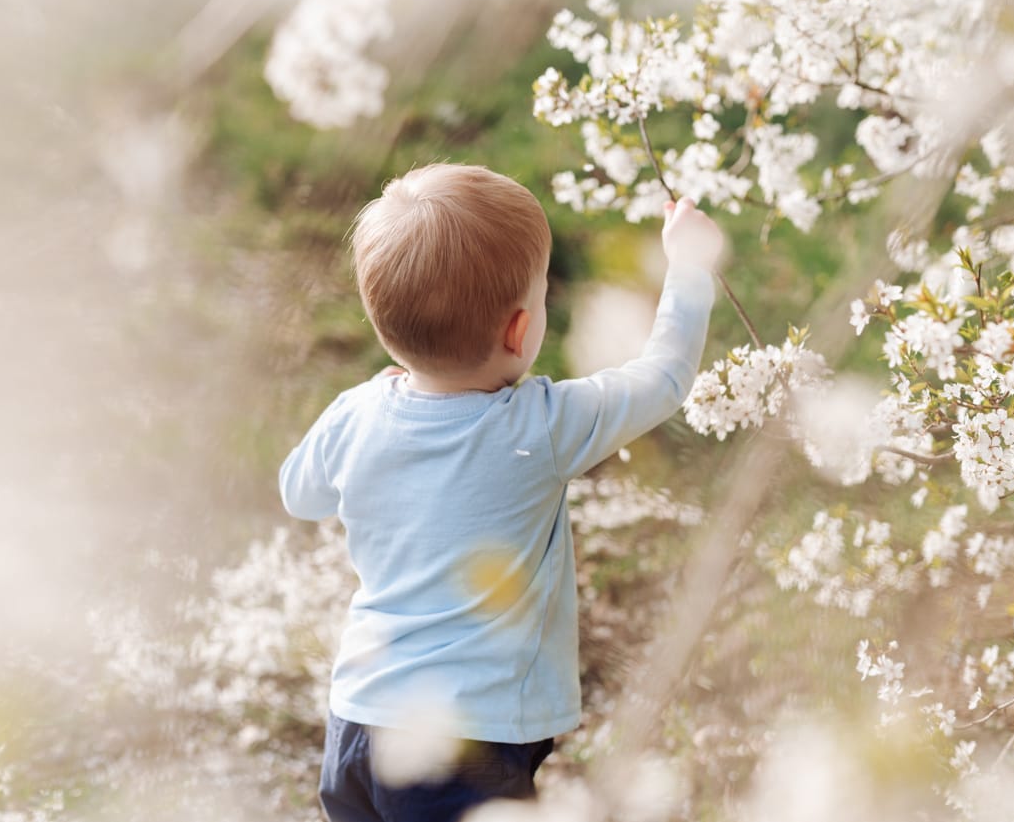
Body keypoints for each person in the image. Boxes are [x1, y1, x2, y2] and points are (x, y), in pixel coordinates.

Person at [279, 163, 721, 821]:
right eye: (542, 297)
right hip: (466, 745)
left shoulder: (355, 414)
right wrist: (690, 267)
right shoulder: (538, 427)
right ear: (519, 330)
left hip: (357, 724)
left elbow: (299, 492)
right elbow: (662, 377)